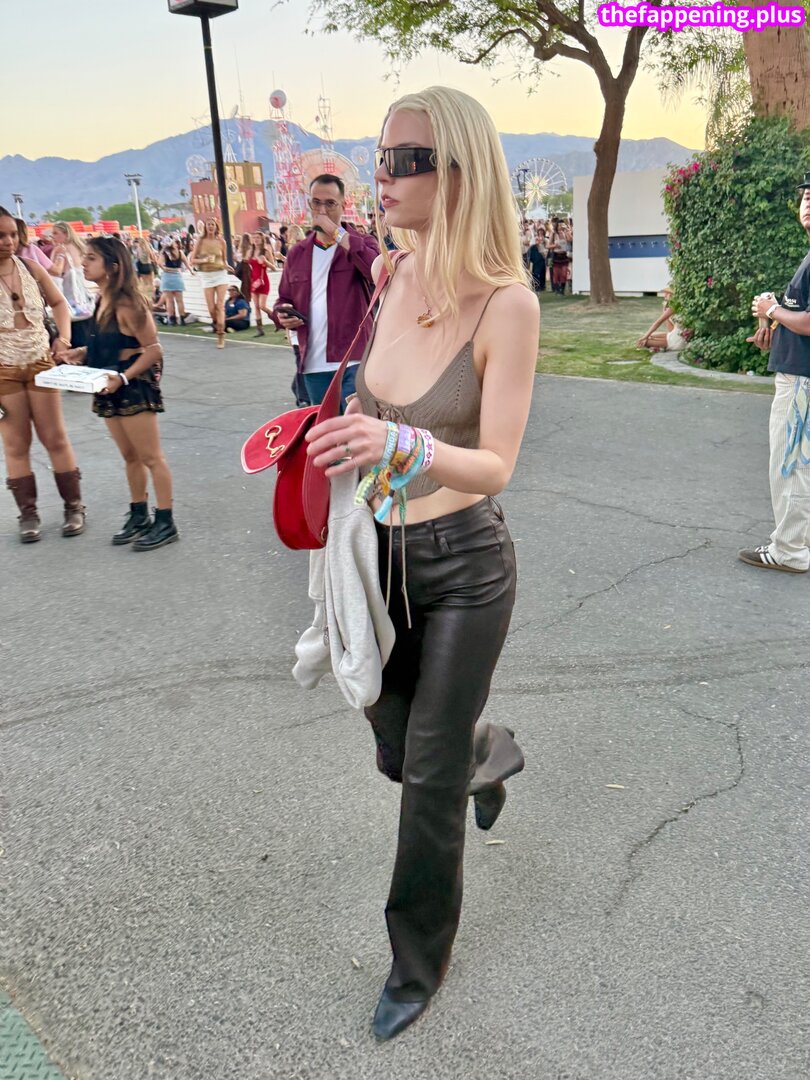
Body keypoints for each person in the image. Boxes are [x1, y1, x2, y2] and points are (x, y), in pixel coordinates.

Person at [303, 86, 540, 1041]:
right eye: (381, 157)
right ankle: (490, 753)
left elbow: (497, 464)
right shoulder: (391, 275)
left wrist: (400, 445)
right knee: (401, 751)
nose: (384, 176)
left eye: (406, 160)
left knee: (427, 779)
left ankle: (415, 961)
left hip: (467, 567)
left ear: (460, 173)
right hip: (381, 557)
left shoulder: (508, 306)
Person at [61, 236, 178, 551]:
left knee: (151, 457)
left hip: (132, 387)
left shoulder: (129, 304)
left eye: (91, 258)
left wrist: (124, 377)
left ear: (113, 266)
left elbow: (153, 350)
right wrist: (82, 352)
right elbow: (113, 343)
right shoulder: (102, 299)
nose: (83, 263)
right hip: (107, 384)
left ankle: (165, 520)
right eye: (85, 257)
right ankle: (139, 513)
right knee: (130, 456)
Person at [0, 207, 86, 542]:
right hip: (4, 372)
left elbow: (60, 304)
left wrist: (62, 339)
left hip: (40, 363)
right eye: (0, 236)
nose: (8, 241)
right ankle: (28, 514)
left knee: (55, 437)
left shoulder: (31, 267)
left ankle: (74, 506)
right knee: (16, 444)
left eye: (12, 234)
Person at [741, 172, 810, 573]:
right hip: (800, 373)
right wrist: (774, 326)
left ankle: (789, 551)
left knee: (790, 465)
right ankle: (799, 541)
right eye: (805, 194)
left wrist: (771, 309)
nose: (808, 201)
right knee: (801, 465)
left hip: (802, 381)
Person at [272, 174, 379, 409]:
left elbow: (375, 270)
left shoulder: (362, 243)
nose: (322, 210)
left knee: (354, 427)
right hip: (313, 363)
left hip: (355, 359)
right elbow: (283, 298)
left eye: (330, 203)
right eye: (316, 203)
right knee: (324, 428)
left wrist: (336, 233)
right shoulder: (297, 253)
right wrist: (282, 314)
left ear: (343, 205)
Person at [190, 217, 232, 349]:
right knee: (211, 309)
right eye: (208, 224)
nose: (210, 227)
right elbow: (192, 260)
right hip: (206, 275)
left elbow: (224, 260)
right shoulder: (200, 241)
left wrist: (227, 266)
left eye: (212, 224)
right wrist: (204, 260)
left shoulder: (221, 241)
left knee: (220, 305)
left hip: (220, 274)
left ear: (216, 226)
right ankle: (218, 323)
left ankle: (221, 335)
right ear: (205, 227)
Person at [158, 239, 192, 325]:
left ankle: (172, 319)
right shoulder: (180, 253)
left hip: (167, 276)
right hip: (177, 275)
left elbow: (159, 263)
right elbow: (187, 263)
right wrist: (191, 271)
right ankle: (182, 319)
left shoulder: (165, 253)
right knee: (179, 300)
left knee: (169, 300)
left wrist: (165, 269)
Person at [247, 232, 273, 337]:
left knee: (262, 306)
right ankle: (260, 329)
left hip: (263, 281)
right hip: (253, 281)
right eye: (254, 237)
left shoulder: (266, 252)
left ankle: (277, 319)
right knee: (256, 306)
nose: (256, 239)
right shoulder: (250, 251)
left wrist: (265, 261)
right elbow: (247, 264)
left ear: (262, 239)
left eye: (258, 237)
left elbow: (273, 267)